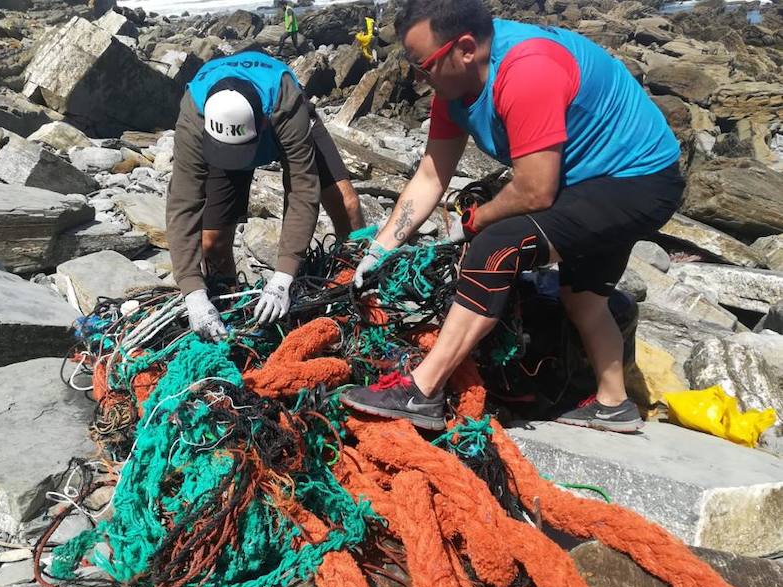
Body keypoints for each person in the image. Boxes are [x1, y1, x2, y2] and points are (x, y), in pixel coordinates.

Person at [341, 0, 684, 433]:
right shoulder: (453, 85)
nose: (418, 78)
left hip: (638, 179)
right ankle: (613, 403)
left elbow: (535, 190)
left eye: (422, 65)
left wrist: (477, 220)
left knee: (494, 247)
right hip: (586, 180)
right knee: (582, 297)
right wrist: (379, 250)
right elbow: (430, 174)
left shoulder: (526, 71)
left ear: (464, 48)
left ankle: (422, 391)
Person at [166, 50, 364, 342]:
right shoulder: (194, 117)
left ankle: (358, 287)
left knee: (346, 203)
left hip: (280, 122)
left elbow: (301, 189)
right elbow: (183, 202)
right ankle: (230, 317)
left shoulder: (286, 103)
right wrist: (193, 291)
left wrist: (283, 277)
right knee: (212, 242)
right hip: (221, 142)